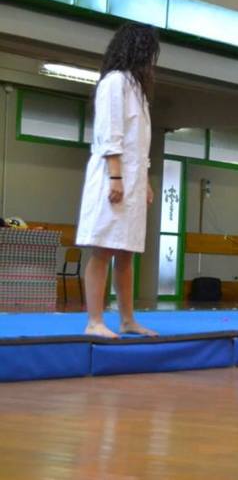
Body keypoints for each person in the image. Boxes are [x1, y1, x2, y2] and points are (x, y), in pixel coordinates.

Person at [76, 23, 160, 339]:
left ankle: (127, 320)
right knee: (103, 250)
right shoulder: (114, 83)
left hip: (132, 180)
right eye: (150, 54)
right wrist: (116, 176)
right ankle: (94, 321)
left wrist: (146, 181)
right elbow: (110, 133)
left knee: (126, 254)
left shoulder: (137, 90)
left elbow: (139, 144)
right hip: (114, 178)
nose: (152, 61)